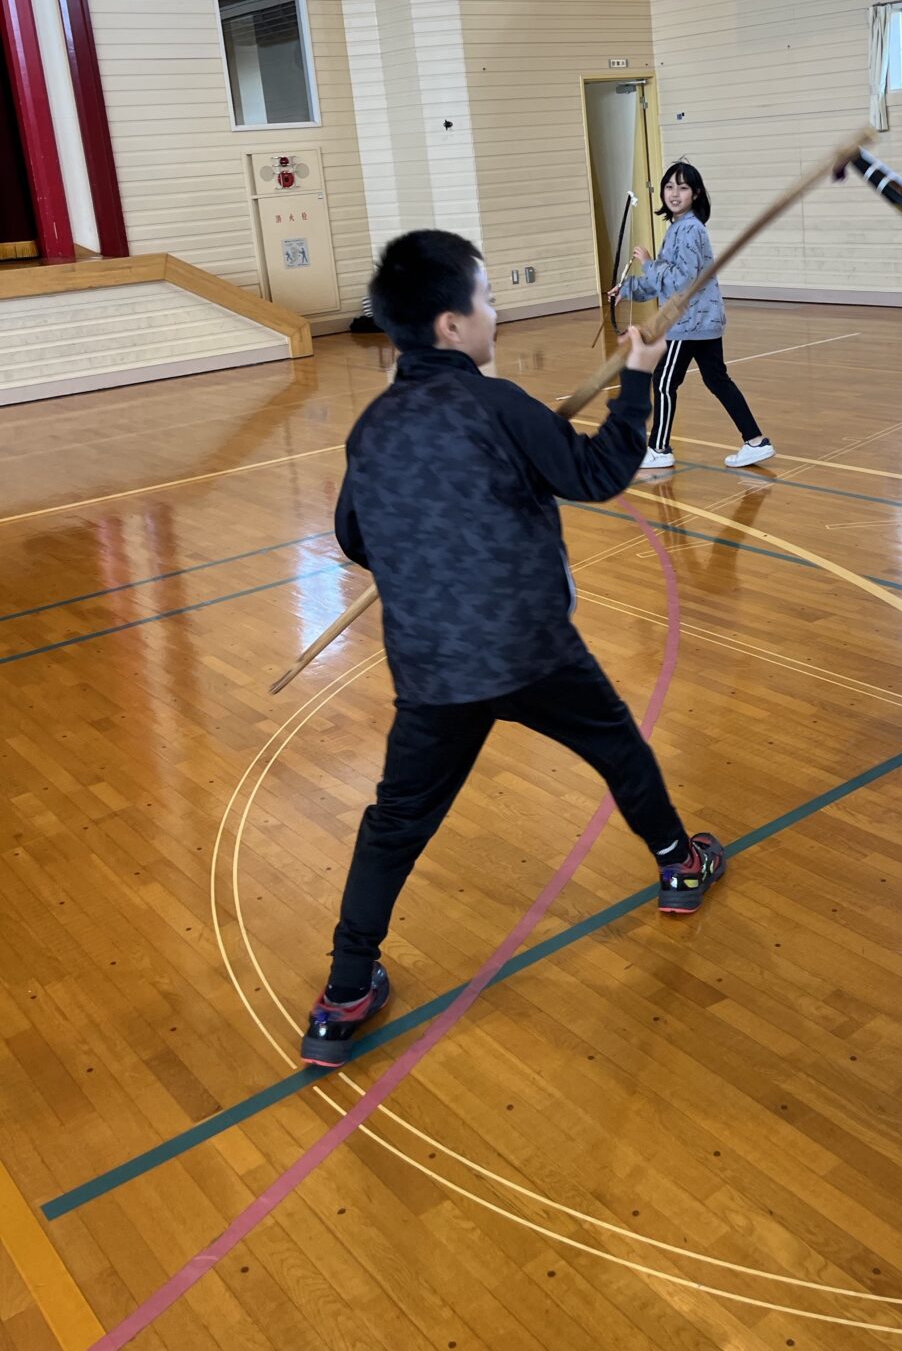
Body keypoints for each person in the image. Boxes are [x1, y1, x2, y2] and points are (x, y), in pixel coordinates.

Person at [302, 230, 725, 1068]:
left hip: (433, 672)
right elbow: (601, 471)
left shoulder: (373, 429)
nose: (496, 310)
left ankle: (346, 990)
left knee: (395, 824)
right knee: (618, 747)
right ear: (453, 326)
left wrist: (418, 539)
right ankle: (679, 863)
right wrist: (637, 382)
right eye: (487, 297)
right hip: (530, 650)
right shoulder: (498, 407)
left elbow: (353, 536)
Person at [612, 161, 774, 471]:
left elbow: (681, 282)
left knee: (663, 383)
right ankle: (755, 441)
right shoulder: (680, 227)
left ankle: (658, 448)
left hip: (687, 323)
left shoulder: (688, 229)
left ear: (695, 194)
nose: (674, 193)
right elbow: (666, 280)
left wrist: (647, 262)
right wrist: (628, 288)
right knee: (717, 380)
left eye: (682, 187)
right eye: (669, 186)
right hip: (703, 321)